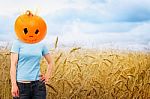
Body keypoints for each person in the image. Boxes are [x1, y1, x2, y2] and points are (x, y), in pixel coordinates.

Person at [10, 10, 53, 99]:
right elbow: (13, 65)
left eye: (36, 31)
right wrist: (14, 85)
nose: (31, 33)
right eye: (26, 30)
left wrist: (47, 76)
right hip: (22, 86)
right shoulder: (17, 43)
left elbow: (51, 62)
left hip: (38, 86)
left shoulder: (41, 44)